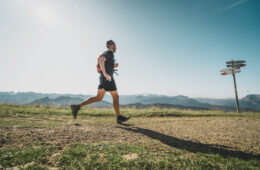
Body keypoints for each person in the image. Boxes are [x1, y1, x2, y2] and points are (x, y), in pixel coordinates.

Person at [70, 40, 130, 123]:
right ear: (111, 45)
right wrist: (106, 74)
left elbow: (105, 64)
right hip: (107, 78)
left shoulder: (108, 54)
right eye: (115, 45)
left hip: (103, 78)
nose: (116, 47)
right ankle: (118, 117)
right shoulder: (109, 52)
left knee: (98, 97)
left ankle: (77, 107)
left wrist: (113, 66)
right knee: (116, 97)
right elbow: (102, 61)